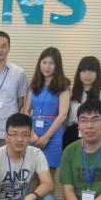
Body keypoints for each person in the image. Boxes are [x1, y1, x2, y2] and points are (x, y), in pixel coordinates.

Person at [24, 47, 71, 180]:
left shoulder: (63, 86)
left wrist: (46, 137)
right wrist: (31, 133)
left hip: (52, 134)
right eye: (44, 62)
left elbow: (63, 115)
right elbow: (26, 111)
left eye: (51, 63)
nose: (47, 66)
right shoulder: (34, 85)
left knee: (48, 176)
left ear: (57, 66)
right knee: (31, 175)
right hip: (33, 133)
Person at [64, 56, 101, 149]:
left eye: (91, 71)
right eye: (84, 71)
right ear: (79, 73)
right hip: (72, 135)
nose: (87, 75)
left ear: (97, 73)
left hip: (93, 134)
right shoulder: (71, 92)